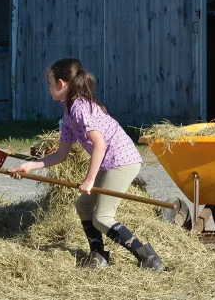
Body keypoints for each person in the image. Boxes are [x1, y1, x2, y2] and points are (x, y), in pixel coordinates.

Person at [9, 58, 164, 270]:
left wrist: (89, 180)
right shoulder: (68, 112)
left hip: (122, 161)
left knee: (102, 217)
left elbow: (99, 145)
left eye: (51, 82)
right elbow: (61, 154)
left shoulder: (80, 108)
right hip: (109, 162)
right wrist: (30, 166)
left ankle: (148, 256)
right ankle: (99, 255)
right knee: (83, 205)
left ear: (62, 84)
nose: (49, 87)